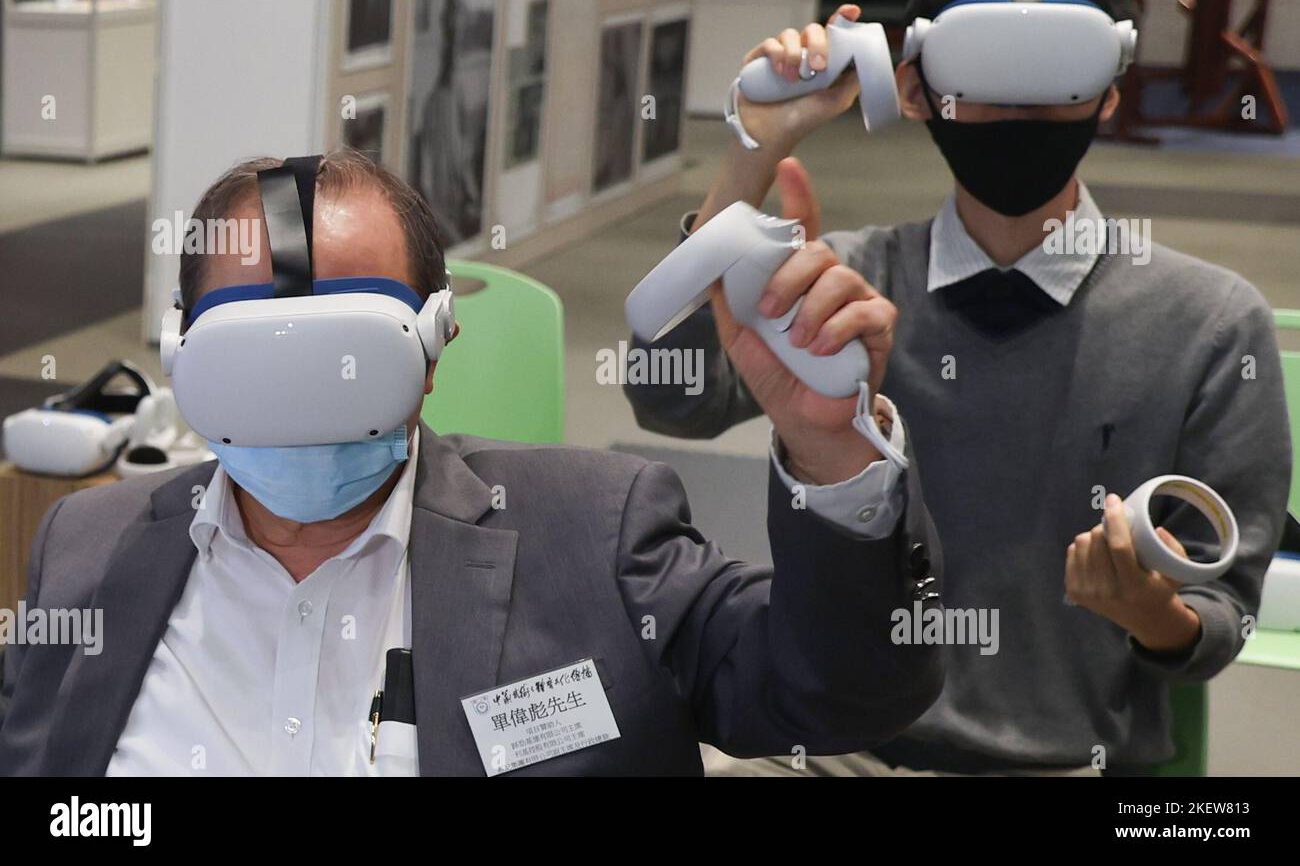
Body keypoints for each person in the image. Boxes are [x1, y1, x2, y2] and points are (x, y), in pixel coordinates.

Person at [0, 148, 942, 776]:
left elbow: (841, 695)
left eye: (347, 357)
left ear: (435, 344)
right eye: (258, 357)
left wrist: (830, 449)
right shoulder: (90, 546)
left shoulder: (593, 534)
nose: (305, 400)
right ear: (183, 355)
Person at [624, 0, 1290, 775]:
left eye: (1054, 76)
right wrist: (751, 154)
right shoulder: (850, 287)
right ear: (914, 89)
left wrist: (1151, 612)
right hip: (836, 744)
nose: (1019, 109)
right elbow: (671, 398)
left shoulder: (1210, 322)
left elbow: (1222, 614)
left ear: (1109, 90)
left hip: (1059, 762)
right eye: (986, 74)